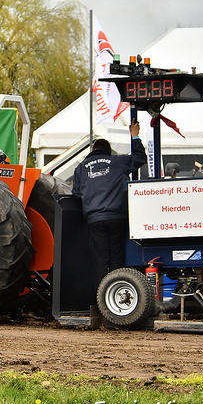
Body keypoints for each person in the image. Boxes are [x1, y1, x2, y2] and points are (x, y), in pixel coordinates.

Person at [72, 119, 146, 287]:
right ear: (108, 151)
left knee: (100, 262)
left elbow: (76, 194)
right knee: (116, 261)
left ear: (92, 150)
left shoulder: (81, 168)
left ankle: (102, 303)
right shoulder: (119, 162)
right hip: (117, 218)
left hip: (95, 220)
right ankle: (118, 298)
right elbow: (140, 158)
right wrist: (134, 136)